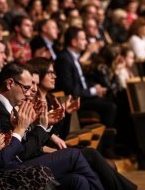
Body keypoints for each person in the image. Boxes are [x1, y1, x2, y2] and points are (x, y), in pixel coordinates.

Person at [0, 57, 104, 190]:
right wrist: (23, 129)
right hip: (3, 173)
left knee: (78, 180)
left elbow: (11, 146)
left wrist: (33, 126)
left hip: (15, 164)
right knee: (75, 156)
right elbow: (3, 157)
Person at [28, 57, 137, 190]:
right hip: (44, 154)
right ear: (39, 74)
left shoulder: (52, 100)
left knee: (106, 165)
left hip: (59, 150)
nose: (54, 76)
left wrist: (66, 115)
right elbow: (39, 139)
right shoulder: (31, 103)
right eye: (50, 72)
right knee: (92, 156)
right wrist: (48, 129)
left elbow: (62, 136)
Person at [0, 63, 56, 189]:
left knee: (75, 178)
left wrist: (19, 128)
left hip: (3, 169)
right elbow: (0, 158)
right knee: (47, 170)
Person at [55, 27, 117, 128]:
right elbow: (70, 90)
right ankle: (105, 140)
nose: (86, 42)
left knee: (113, 97)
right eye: (83, 39)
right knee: (110, 107)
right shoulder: (64, 59)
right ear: (74, 42)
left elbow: (82, 81)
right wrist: (93, 91)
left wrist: (95, 87)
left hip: (83, 96)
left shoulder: (73, 57)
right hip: (75, 101)